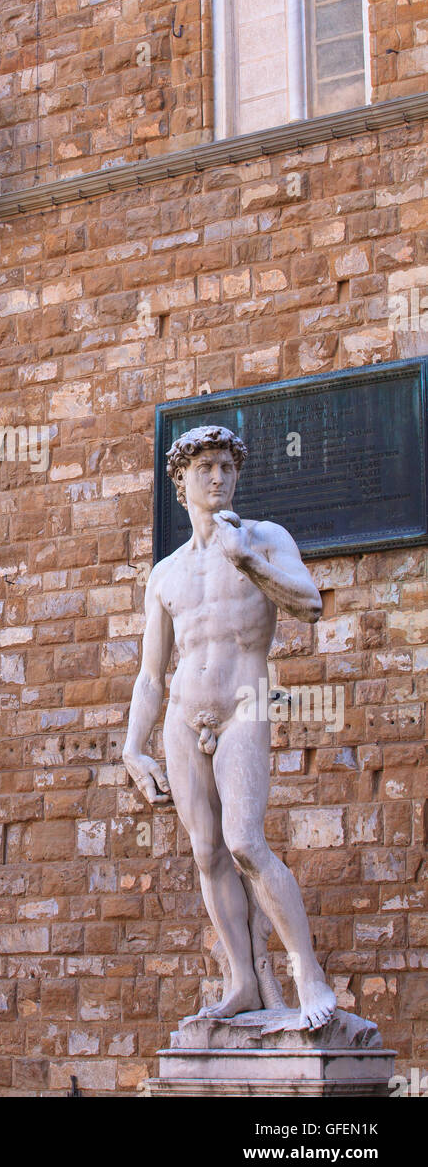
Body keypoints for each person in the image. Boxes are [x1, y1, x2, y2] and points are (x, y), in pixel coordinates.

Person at [123, 425, 336, 1029]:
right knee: (208, 853)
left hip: (245, 704)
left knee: (244, 841)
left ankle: (308, 976)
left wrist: (247, 561)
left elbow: (311, 603)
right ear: (182, 482)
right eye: (205, 468)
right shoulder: (164, 574)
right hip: (183, 718)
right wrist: (132, 748)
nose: (218, 478)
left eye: (226, 467)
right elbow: (150, 674)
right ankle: (242, 981)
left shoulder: (264, 538)